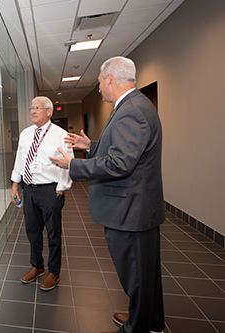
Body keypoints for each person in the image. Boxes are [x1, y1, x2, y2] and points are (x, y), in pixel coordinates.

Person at [50, 56, 165, 333]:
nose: (99, 87)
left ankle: (136, 327)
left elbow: (120, 163)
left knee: (136, 276)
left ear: (110, 78)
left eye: (100, 81)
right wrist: (91, 146)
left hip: (130, 211)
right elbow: (123, 150)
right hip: (137, 207)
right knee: (147, 274)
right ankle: (152, 321)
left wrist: (73, 164)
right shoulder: (135, 105)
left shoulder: (131, 110)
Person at [11, 96, 73, 291]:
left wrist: (60, 188)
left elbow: (68, 163)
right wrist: (15, 184)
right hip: (29, 189)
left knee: (53, 233)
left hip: (50, 189)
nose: (33, 111)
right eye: (31, 108)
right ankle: (37, 266)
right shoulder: (25, 134)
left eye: (38, 108)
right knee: (32, 231)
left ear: (49, 111)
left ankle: (54, 271)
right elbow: (20, 160)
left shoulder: (61, 134)